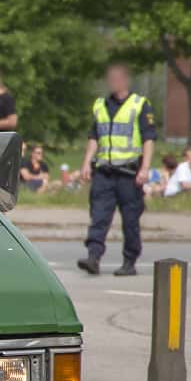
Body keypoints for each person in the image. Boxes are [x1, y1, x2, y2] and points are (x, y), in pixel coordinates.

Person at [76, 62, 156, 276]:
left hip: (129, 174)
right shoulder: (100, 105)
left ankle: (129, 261)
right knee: (99, 216)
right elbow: (94, 136)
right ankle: (93, 257)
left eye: (118, 78)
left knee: (130, 220)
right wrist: (86, 162)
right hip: (104, 172)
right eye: (111, 78)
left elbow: (148, 139)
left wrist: (145, 168)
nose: (113, 82)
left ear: (126, 80)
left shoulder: (139, 104)